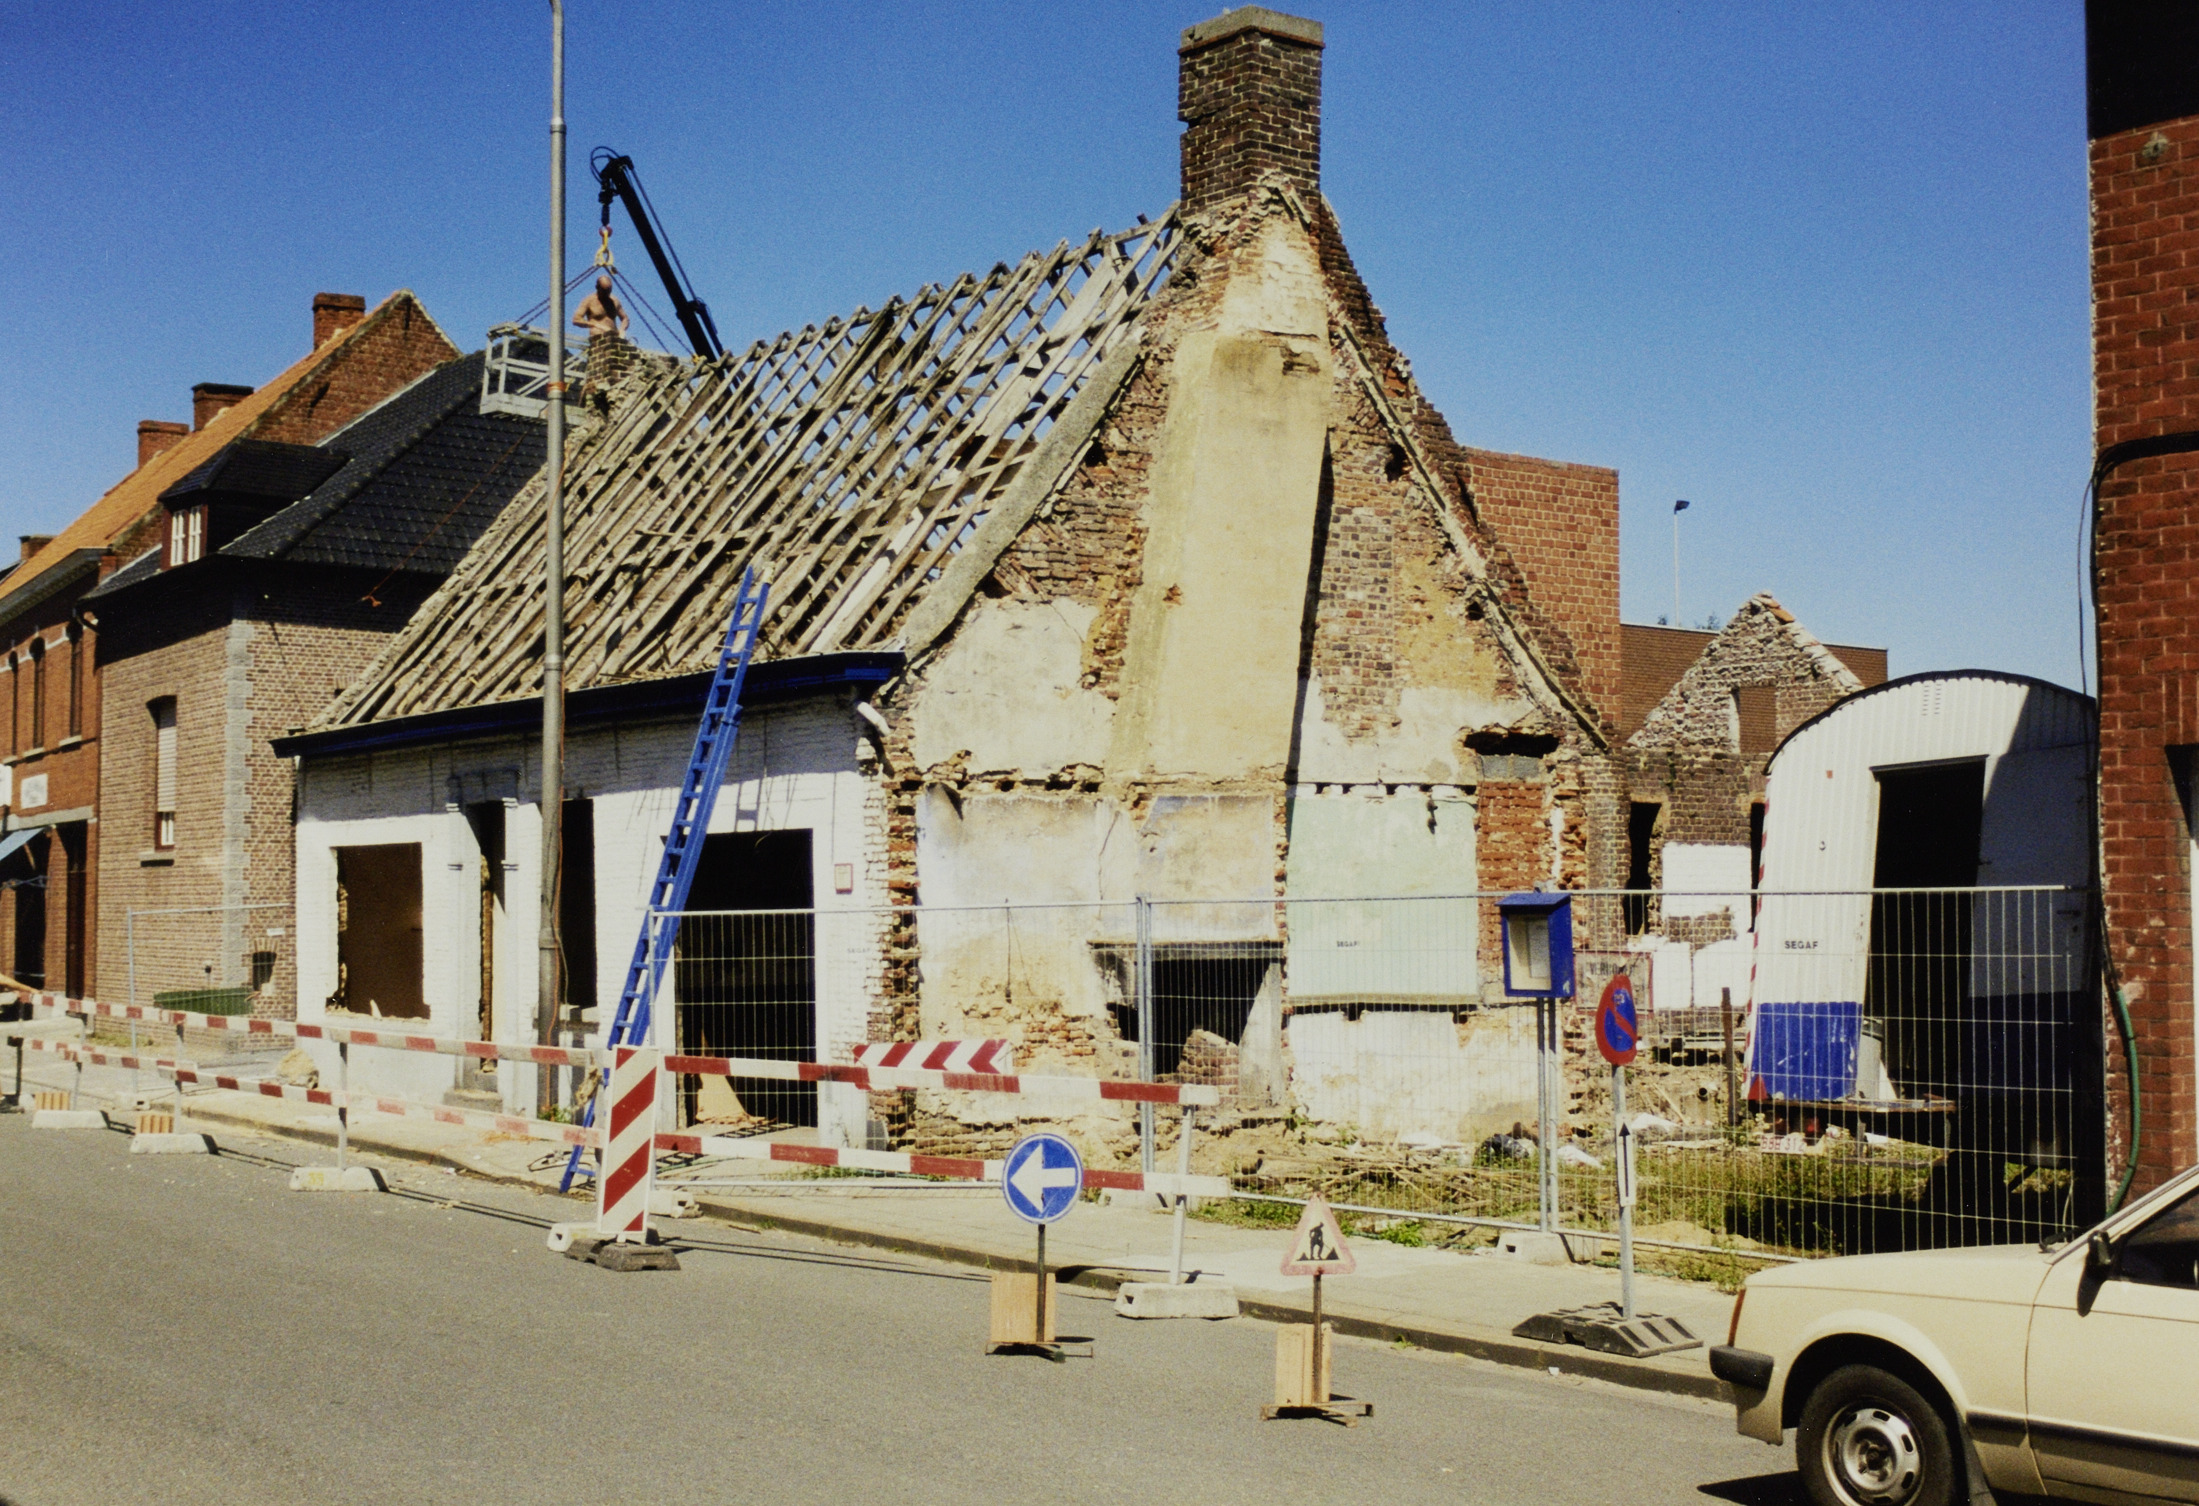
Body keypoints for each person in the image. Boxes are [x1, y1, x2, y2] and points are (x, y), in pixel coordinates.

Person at [572, 275, 629, 339]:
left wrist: (622, 329)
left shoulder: (614, 300)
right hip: (598, 338)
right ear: (597, 287)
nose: (606, 294)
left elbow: (625, 318)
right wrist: (596, 325)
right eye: (604, 291)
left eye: (608, 291)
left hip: (614, 337)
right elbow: (576, 320)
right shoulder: (589, 300)